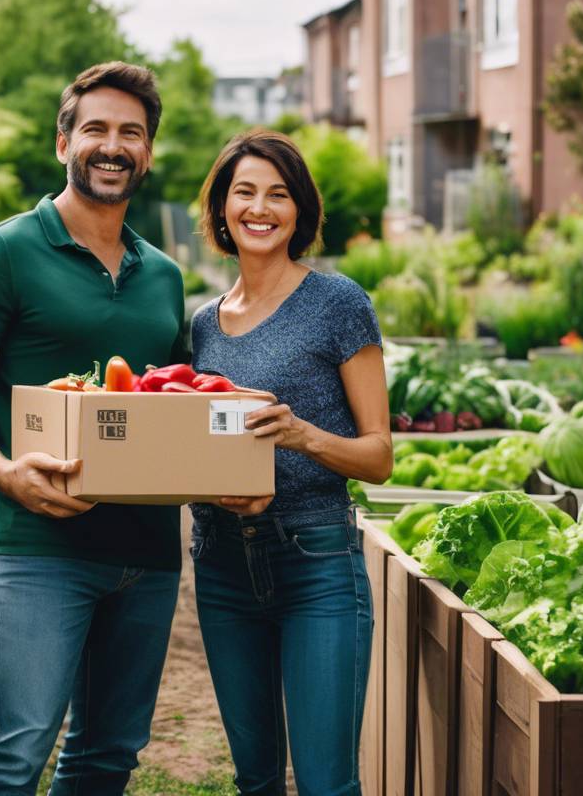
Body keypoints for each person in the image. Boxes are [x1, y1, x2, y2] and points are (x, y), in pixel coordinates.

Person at [0, 62, 244, 796]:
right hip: (44, 547)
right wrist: (5, 473)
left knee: (109, 754)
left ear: (149, 153)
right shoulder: (7, 251)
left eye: (131, 133)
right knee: (19, 747)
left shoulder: (161, 274)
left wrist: (222, 470)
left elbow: (174, 408)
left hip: (147, 554)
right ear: (63, 141)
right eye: (95, 128)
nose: (113, 145)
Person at [189, 130, 393, 796]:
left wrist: (303, 435)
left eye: (278, 194)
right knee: (254, 781)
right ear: (222, 208)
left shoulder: (338, 305)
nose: (260, 207)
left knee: (326, 784)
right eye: (244, 192)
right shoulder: (203, 326)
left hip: (316, 564)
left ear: (299, 212)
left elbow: (379, 456)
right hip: (221, 564)